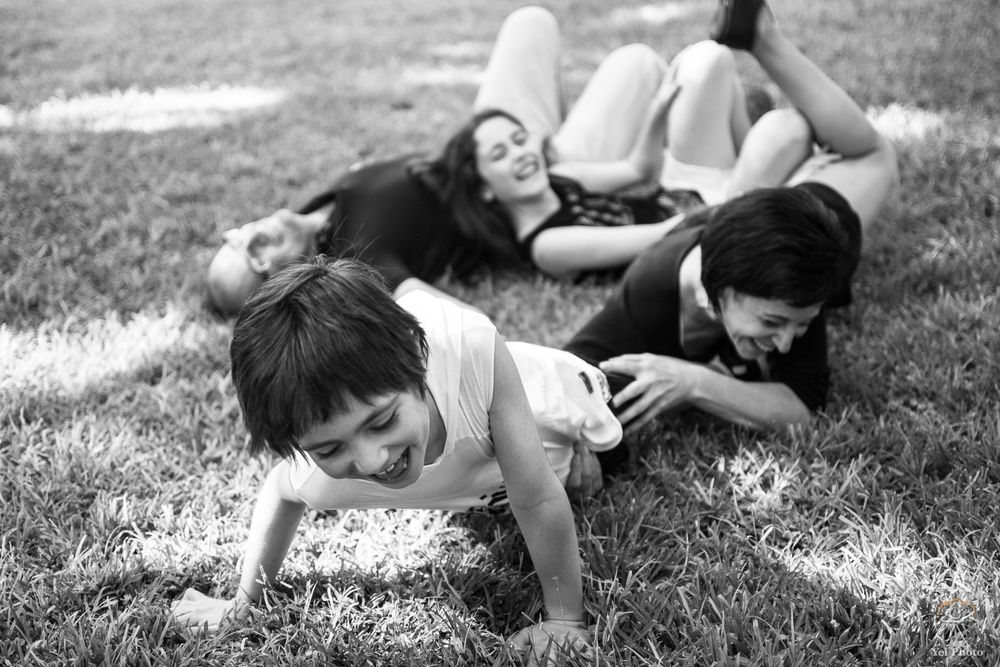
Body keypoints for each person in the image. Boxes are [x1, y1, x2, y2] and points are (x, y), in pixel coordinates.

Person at [172, 257, 626, 659]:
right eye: (329, 448)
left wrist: (565, 622)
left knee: (628, 404)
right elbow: (280, 489)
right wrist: (242, 603)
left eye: (382, 421)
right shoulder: (324, 476)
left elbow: (538, 498)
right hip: (487, 481)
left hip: (563, 413)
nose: (370, 460)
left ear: (418, 361)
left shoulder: (472, 352)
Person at [206, 5, 780, 316]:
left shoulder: (317, 206)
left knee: (530, 22)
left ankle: (728, 119)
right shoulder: (359, 256)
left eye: (238, 238)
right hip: (526, 189)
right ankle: (735, 123)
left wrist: (502, 139)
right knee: (638, 64)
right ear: (281, 277)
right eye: (256, 255)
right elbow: (432, 314)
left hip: (492, 143)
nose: (253, 233)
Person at [564, 0, 898, 443]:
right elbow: (565, 372)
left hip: (802, 211)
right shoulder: (653, 286)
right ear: (720, 288)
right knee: (870, 156)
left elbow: (801, 406)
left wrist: (695, 382)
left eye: (799, 325)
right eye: (773, 323)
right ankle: (763, 47)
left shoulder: (798, 282)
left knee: (865, 153)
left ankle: (767, 78)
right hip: (723, 219)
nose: (785, 343)